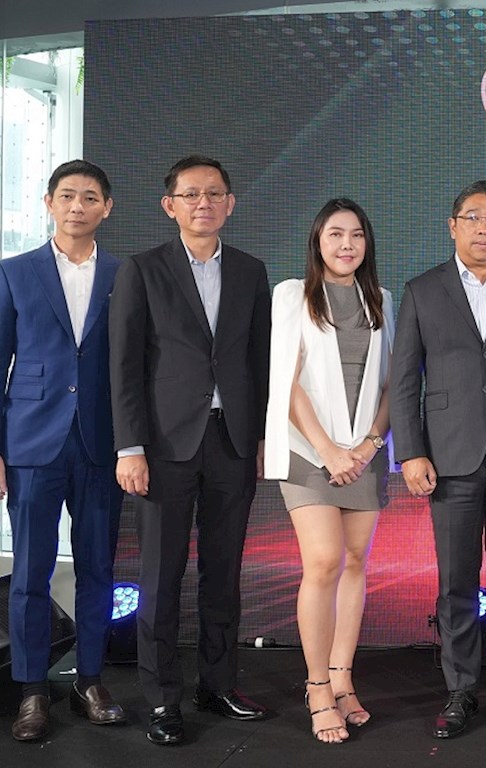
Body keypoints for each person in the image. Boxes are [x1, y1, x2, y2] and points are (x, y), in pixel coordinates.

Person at [110, 155, 272, 746]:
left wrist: (261, 438)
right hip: (163, 446)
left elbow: (260, 361)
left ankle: (218, 684)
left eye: (215, 193)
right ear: (170, 205)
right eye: (191, 194)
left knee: (224, 572)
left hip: (233, 441)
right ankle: (162, 698)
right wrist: (129, 447)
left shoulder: (251, 271)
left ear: (231, 203)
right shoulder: (143, 269)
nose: (204, 203)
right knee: (161, 575)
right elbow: (124, 365)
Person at [389, 181, 486, 739]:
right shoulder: (422, 290)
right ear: (453, 226)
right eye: (473, 217)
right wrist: (410, 451)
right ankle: (459, 689)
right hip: (448, 458)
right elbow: (403, 380)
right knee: (455, 582)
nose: (484, 227)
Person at [1, 160, 126, 742]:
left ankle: (89, 680)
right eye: (68, 195)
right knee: (31, 571)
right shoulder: (14, 272)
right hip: (31, 440)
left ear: (107, 208)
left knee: (99, 567)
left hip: (102, 441)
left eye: (90, 197)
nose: (79, 206)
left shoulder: (125, 275)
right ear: (49, 202)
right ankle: (32, 689)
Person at [265, 198, 393, 743]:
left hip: (363, 452)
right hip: (307, 451)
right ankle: (317, 686)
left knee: (356, 562)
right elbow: (285, 380)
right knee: (323, 561)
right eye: (336, 234)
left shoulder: (382, 299)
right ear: (318, 239)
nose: (347, 244)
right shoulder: (292, 294)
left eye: (356, 235)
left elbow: (392, 384)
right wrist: (328, 452)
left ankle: (343, 678)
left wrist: (367, 445)